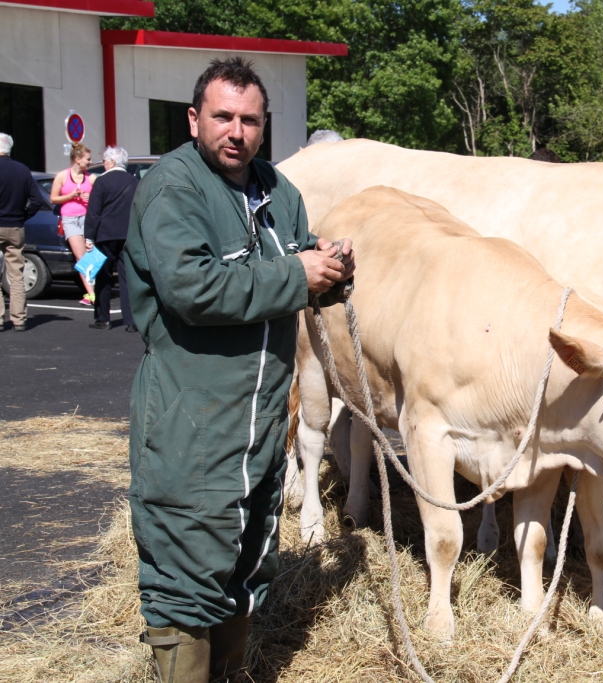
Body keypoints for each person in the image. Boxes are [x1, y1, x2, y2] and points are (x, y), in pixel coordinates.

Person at [124, 57, 354, 683]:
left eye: (250, 120)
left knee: (243, 569)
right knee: (186, 577)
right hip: (191, 423)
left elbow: (299, 282)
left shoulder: (280, 193)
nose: (237, 131)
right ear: (195, 118)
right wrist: (295, 274)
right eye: (222, 117)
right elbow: (190, 288)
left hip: (259, 424)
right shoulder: (175, 187)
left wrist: (329, 269)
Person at [83, 146, 139, 331]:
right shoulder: (135, 182)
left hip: (104, 235)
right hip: (128, 234)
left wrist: (89, 237)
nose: (104, 164)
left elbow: (94, 213)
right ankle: (131, 321)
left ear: (112, 162)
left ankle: (103, 318)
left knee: (103, 277)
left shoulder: (101, 182)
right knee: (127, 278)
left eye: (105, 160)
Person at [0, 132, 47, 331]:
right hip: (16, 226)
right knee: (16, 274)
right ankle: (19, 319)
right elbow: (37, 200)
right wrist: (24, 215)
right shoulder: (22, 170)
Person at [51, 142, 98, 306]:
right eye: (88, 159)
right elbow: (53, 198)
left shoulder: (91, 178)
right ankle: (91, 293)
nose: (90, 162)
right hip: (70, 218)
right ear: (78, 159)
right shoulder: (62, 176)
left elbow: (101, 199)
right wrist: (71, 196)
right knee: (81, 257)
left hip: (87, 218)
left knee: (91, 257)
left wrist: (89, 198)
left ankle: (93, 291)